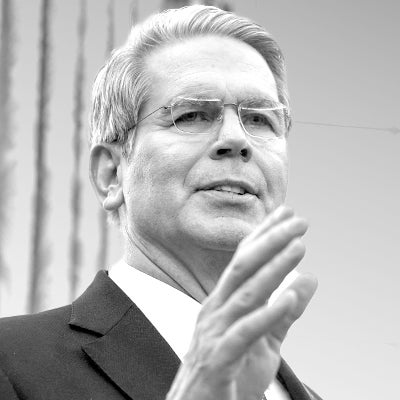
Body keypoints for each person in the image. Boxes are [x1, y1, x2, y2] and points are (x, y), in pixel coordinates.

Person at [0, 5, 322, 400]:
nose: (237, 139)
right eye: (192, 115)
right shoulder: (10, 364)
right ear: (112, 174)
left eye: (259, 119)